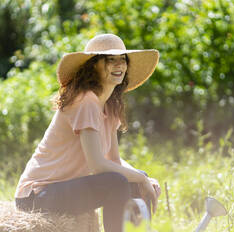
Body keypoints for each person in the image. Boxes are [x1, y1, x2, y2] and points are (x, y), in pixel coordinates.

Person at [14, 33, 161, 232]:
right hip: (37, 194)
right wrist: (141, 178)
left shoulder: (109, 106)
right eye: (110, 60)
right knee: (116, 182)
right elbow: (98, 165)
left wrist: (142, 177)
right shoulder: (85, 101)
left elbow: (114, 161)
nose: (119, 65)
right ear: (93, 65)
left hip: (66, 189)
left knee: (134, 179)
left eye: (122, 59)